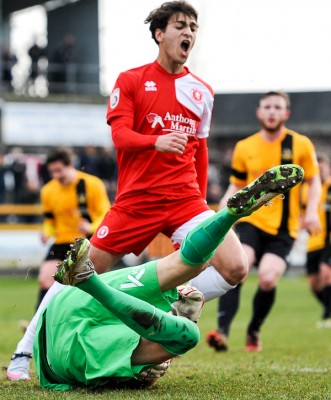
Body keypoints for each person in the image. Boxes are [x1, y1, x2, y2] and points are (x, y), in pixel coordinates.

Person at [7, 164, 304, 383]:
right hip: (63, 338)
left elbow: (154, 354)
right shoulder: (118, 357)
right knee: (190, 288)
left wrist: (156, 358)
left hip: (69, 331)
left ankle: (228, 215)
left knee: (186, 307)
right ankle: (226, 219)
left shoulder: (132, 356)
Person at [206, 91, 322, 353]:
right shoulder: (244, 147)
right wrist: (222, 212)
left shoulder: (300, 144)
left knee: (268, 279)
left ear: (286, 114)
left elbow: (314, 182)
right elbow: (235, 184)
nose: (272, 111)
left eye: (277, 107)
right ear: (259, 112)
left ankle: (254, 330)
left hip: (285, 227)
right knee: (239, 267)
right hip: (250, 222)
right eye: (267, 106)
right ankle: (222, 332)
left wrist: (312, 211)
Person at [34, 148, 111, 308]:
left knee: (84, 286)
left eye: (59, 171)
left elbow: (106, 214)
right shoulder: (48, 190)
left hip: (87, 242)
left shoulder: (92, 184)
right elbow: (50, 221)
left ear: (70, 166)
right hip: (62, 242)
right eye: (52, 172)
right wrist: (46, 233)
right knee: (45, 278)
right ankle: (40, 323)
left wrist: (91, 226)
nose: (55, 176)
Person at [302, 152, 331, 328]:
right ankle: (328, 308)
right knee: (314, 284)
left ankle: (327, 315)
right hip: (313, 241)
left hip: (329, 241)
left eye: (322, 166)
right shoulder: (307, 189)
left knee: (327, 273)